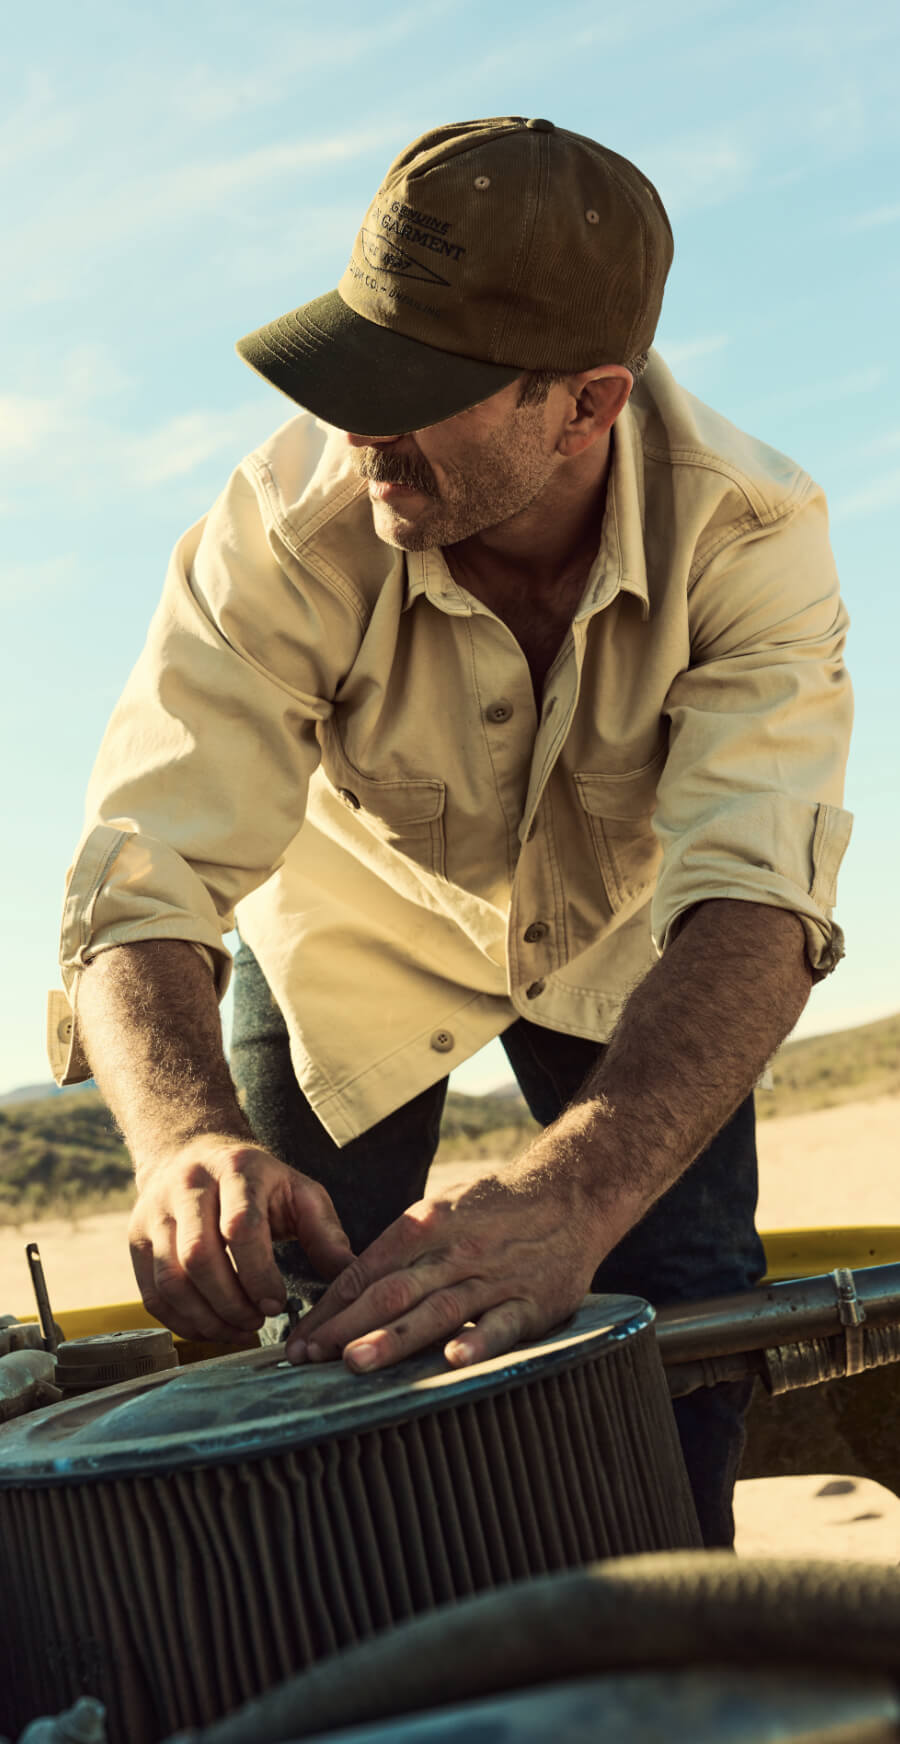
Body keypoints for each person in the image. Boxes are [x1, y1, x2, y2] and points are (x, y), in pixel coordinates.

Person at [49, 116, 853, 1546]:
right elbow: (141, 867)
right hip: (347, 947)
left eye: (415, 390)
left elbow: (758, 902)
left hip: (626, 965)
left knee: (688, 1309)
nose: (362, 425)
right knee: (292, 1354)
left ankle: (661, 1630)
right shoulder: (282, 528)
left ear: (588, 403)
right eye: (351, 363)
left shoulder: (756, 533)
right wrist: (180, 1142)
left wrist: (575, 1197)